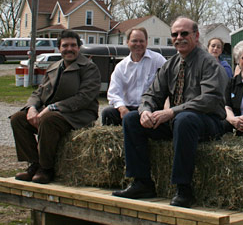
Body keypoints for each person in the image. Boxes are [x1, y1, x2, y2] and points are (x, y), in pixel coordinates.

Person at [112, 17, 228, 208]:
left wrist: (172, 112)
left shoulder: (208, 63)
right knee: (132, 120)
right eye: (175, 34)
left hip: (208, 122)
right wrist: (146, 111)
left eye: (184, 34)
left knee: (184, 119)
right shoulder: (171, 64)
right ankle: (142, 182)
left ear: (196, 36)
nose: (179, 38)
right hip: (179, 121)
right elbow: (151, 94)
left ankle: (184, 189)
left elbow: (210, 99)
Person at [11, 30, 101, 184]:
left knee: (48, 119)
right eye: (65, 45)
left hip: (78, 116)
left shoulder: (89, 68)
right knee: (18, 118)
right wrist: (31, 107)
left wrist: (53, 107)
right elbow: (38, 92)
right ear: (59, 48)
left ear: (79, 48)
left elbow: (84, 98)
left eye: (73, 45)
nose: (69, 49)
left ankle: (46, 169)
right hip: (51, 114)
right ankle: (34, 164)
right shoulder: (53, 67)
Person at [102, 27, 166, 126]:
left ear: (147, 42)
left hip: (151, 109)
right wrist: (122, 108)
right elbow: (113, 93)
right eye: (134, 41)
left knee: (131, 117)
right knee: (107, 113)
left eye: (141, 41)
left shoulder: (158, 60)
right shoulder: (121, 67)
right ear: (127, 42)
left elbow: (169, 83)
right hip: (129, 108)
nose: (138, 44)